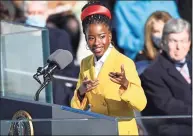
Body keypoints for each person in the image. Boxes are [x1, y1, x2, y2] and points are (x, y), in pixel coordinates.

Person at [70, 1, 147, 135]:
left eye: (102, 36)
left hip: (122, 131)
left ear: (110, 36)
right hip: (98, 130)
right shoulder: (85, 63)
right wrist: (81, 92)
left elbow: (141, 104)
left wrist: (126, 85)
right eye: (91, 38)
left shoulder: (125, 62)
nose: (97, 43)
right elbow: (76, 108)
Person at [140, 18, 192, 136]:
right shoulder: (152, 73)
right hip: (173, 129)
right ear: (163, 43)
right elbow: (170, 107)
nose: (179, 47)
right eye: (173, 41)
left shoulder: (191, 65)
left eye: (183, 41)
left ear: (189, 43)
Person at [24, 1, 79, 106]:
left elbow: (69, 71)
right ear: (25, 14)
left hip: (54, 94)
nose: (35, 16)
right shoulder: (16, 35)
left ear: (46, 14)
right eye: (31, 13)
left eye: (39, 13)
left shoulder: (59, 36)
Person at [114, 1, 180, 60]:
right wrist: (145, 45)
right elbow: (124, 38)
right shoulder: (123, 4)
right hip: (141, 55)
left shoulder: (168, 3)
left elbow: (179, 29)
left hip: (171, 52)